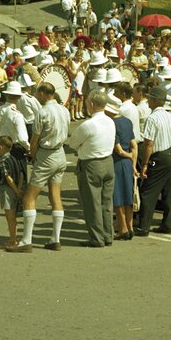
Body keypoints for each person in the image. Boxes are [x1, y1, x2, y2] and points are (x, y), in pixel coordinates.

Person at [18, 80, 70, 252]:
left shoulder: (43, 112)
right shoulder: (64, 110)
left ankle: (26, 240)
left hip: (46, 154)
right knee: (55, 196)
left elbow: (34, 140)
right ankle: (55, 239)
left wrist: (32, 156)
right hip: (60, 153)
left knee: (29, 197)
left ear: (42, 93)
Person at [68, 90, 116, 247]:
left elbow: (73, 143)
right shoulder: (110, 121)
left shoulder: (88, 124)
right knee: (106, 202)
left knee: (92, 203)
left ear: (93, 104)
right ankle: (108, 235)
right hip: (108, 161)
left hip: (91, 164)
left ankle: (96, 238)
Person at [135, 85, 171, 235]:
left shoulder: (152, 118)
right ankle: (168, 224)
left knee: (149, 191)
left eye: (149, 98)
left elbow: (149, 144)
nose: (148, 101)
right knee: (170, 190)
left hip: (160, 157)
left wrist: (145, 164)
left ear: (154, 100)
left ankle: (143, 226)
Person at [108, 96, 137, 239]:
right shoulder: (127, 122)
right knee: (128, 196)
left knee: (118, 197)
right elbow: (134, 144)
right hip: (127, 164)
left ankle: (123, 228)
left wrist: (128, 155)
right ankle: (130, 226)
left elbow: (118, 150)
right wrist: (133, 161)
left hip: (117, 162)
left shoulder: (111, 124)